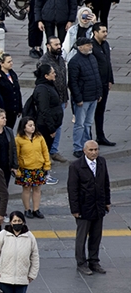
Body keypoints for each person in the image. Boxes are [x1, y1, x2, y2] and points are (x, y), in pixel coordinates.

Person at [67, 140, 110, 275]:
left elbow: (106, 183)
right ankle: (81, 263)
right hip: (84, 207)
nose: (94, 152)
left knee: (96, 236)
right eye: (91, 150)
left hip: (98, 206)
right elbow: (72, 189)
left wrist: (107, 202)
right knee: (82, 237)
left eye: (96, 149)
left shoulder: (102, 162)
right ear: (84, 151)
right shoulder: (76, 166)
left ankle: (94, 261)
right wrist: (74, 209)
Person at [67, 38, 101, 158]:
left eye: (90, 45)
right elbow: (73, 83)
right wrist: (78, 98)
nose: (90, 47)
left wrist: (99, 93)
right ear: (80, 47)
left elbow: (97, 76)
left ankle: (87, 145)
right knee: (80, 124)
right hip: (83, 99)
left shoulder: (92, 58)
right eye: (87, 45)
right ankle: (77, 147)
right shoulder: (74, 62)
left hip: (93, 97)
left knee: (88, 123)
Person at [39, 37, 69, 162]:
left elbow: (63, 78)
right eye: (55, 44)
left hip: (61, 98)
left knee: (58, 125)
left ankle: (54, 151)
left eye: (59, 44)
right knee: (49, 127)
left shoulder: (60, 58)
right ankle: (46, 152)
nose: (59, 46)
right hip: (51, 100)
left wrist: (65, 97)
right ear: (48, 46)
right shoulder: (44, 62)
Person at [15, 116, 51, 219]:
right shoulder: (19, 139)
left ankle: (36, 209)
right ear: (24, 127)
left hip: (38, 167)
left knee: (37, 189)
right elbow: (16, 155)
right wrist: (16, 169)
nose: (32, 127)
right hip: (25, 168)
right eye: (30, 125)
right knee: (26, 189)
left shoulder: (39, 137)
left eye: (33, 125)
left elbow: (45, 151)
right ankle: (27, 209)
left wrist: (47, 164)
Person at [90, 23, 114, 147]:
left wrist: (110, 80)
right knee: (90, 113)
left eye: (106, 31)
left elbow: (108, 63)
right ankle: (87, 139)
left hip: (105, 84)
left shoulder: (105, 45)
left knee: (100, 111)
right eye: (103, 31)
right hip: (95, 86)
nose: (105, 34)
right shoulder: (91, 47)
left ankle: (100, 136)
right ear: (95, 32)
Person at [0, 109, 19, 189]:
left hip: (6, 166)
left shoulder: (9, 131)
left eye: (5, 117)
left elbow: (13, 148)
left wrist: (15, 165)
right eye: (2, 118)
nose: (5, 119)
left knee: (4, 188)